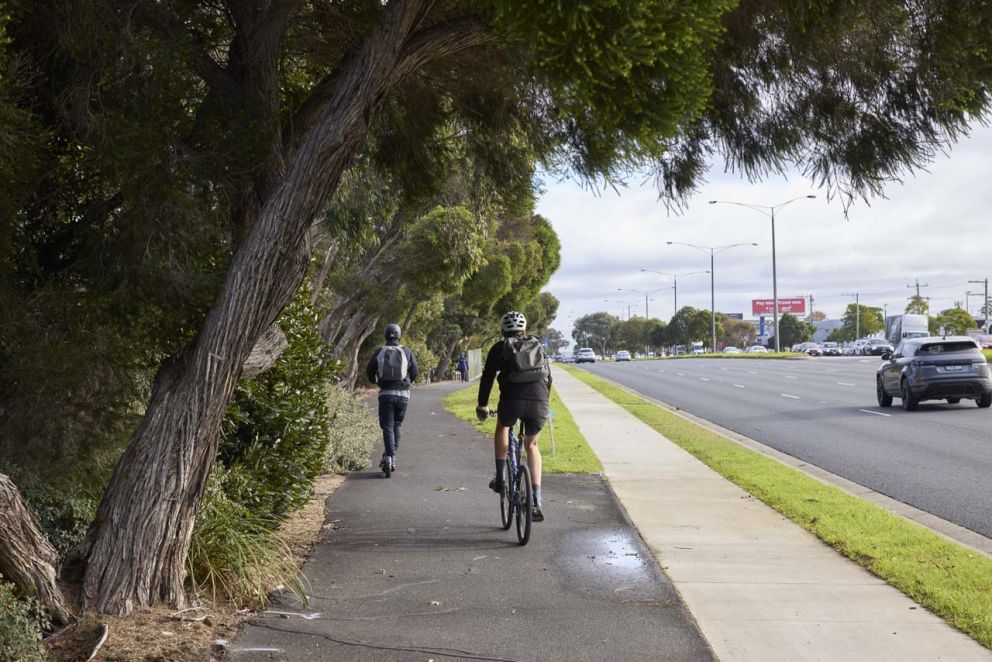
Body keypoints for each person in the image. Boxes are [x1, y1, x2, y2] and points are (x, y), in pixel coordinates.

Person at [476, 311, 552, 521]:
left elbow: (488, 379)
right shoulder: (537, 346)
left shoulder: (499, 348)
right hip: (539, 401)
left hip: (511, 402)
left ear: (503, 330)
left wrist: (482, 405)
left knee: (503, 427)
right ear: (524, 330)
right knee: (532, 446)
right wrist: (543, 402)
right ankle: (535, 501)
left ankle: (501, 478)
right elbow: (548, 377)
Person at [366, 323, 418, 475]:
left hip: (386, 394)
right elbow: (415, 370)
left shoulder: (380, 351)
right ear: (399, 335)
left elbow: (370, 369)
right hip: (403, 395)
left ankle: (390, 457)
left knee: (387, 426)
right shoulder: (406, 351)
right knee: (397, 425)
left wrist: (376, 381)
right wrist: (407, 382)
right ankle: (391, 456)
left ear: (385, 335)